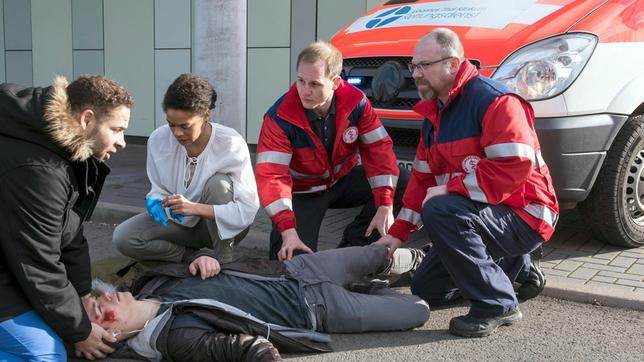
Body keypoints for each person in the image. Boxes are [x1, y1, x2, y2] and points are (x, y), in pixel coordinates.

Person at [376, 28, 559, 338]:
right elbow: (421, 180)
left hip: (528, 214)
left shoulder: (495, 101)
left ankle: (497, 303)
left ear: (453, 63)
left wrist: (450, 189)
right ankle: (516, 267)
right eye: (413, 66)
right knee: (427, 290)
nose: (415, 74)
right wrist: (396, 236)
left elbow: (513, 167)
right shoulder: (435, 115)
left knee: (441, 210)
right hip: (488, 214)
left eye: (424, 66)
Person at [83, 245, 430, 361]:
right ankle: (370, 289)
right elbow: (251, 350)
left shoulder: (149, 282)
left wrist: (203, 255)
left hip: (295, 269)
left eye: (97, 298)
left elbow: (195, 252)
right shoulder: (177, 339)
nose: (106, 297)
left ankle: (420, 259)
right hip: (317, 309)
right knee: (417, 311)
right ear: (110, 337)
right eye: (101, 311)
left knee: (377, 253)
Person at [0, 75, 133, 360]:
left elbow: (70, 232)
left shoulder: (64, 150)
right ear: (87, 119)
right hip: (12, 264)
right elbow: (39, 265)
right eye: (117, 129)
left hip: (12, 255)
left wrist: (83, 295)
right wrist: (80, 331)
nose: (122, 142)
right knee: (45, 354)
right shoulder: (39, 170)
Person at [256, 40, 409, 261]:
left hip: (341, 182)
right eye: (300, 81)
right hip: (302, 193)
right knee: (293, 261)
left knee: (402, 181)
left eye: (314, 84)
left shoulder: (357, 102)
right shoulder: (279, 117)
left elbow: (379, 151)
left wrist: (385, 205)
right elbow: (272, 176)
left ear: (336, 82)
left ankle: (350, 251)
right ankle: (289, 248)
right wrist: (287, 228)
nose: (305, 91)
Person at [113, 74, 259, 271]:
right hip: (179, 225)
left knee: (219, 184)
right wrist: (156, 199)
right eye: (171, 124)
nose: (177, 133)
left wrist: (195, 208)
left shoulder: (230, 143)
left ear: (206, 115)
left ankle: (224, 262)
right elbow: (158, 188)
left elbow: (247, 210)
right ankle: (193, 257)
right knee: (124, 237)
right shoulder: (158, 139)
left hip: (220, 228)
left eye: (185, 126)